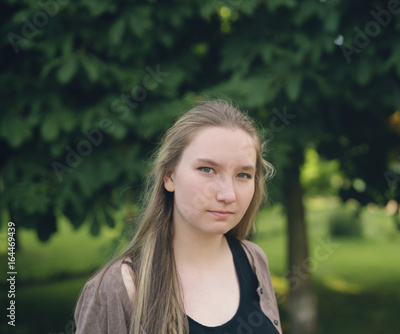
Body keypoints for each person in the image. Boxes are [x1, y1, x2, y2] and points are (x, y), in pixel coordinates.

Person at [74, 100, 283, 334]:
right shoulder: (117, 288)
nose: (228, 194)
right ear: (169, 176)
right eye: (207, 169)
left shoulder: (253, 259)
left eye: (243, 175)